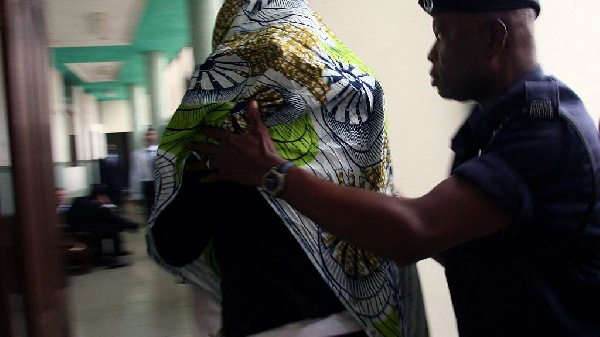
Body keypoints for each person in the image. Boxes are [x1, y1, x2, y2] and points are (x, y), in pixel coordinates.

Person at [186, 0, 600, 336]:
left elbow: (414, 233)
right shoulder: (497, 125)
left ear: (493, 37)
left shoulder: (547, 134)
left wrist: (273, 175)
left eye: (443, 35)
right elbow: (462, 244)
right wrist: (367, 189)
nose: (432, 52)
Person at [146, 1, 429, 336]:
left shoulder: (220, 138)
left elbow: (175, 246)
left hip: (264, 323)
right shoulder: (358, 108)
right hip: (361, 322)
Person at [66, 184, 139, 268]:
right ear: (100, 196)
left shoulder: (80, 201)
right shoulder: (94, 205)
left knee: (111, 225)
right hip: (84, 233)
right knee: (109, 230)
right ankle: (108, 259)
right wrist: (131, 225)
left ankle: (116, 251)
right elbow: (110, 217)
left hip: (79, 229)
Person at [129, 128, 158, 219]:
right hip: (146, 184)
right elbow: (134, 173)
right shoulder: (137, 154)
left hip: (159, 183)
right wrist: (135, 193)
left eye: (151, 134)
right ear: (145, 137)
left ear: (155, 136)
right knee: (147, 210)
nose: (149, 137)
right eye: (148, 135)